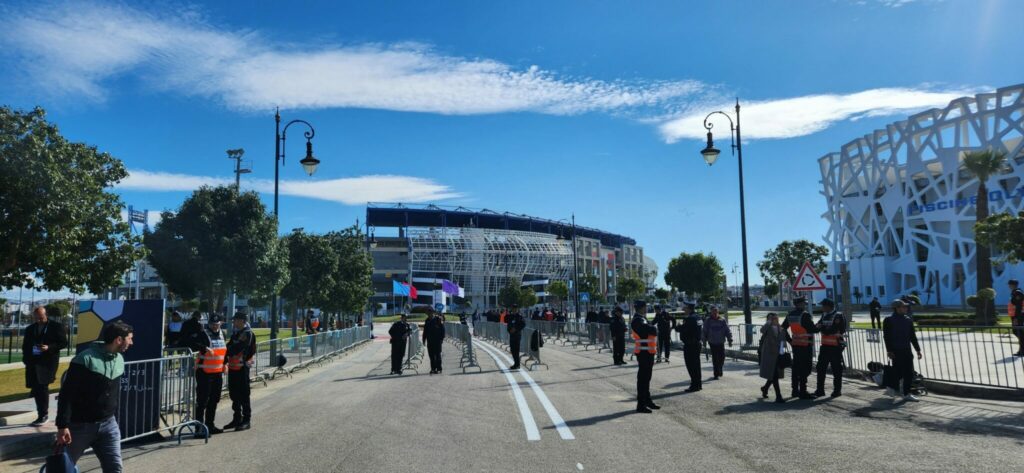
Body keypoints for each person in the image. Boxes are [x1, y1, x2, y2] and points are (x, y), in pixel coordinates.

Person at [55, 321, 133, 473]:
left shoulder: (119, 359)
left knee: (114, 468)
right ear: (119, 339)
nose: (131, 342)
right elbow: (67, 394)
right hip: (80, 427)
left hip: (109, 425)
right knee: (63, 468)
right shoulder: (84, 359)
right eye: (129, 338)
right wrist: (62, 425)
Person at [23, 306, 68, 426]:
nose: (38, 320)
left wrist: (49, 347)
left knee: (42, 386)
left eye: (41, 317)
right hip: (33, 362)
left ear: (46, 315)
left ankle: (43, 415)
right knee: (37, 387)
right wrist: (26, 359)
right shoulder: (30, 329)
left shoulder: (56, 327)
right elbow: (25, 345)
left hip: (48, 362)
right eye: (36, 318)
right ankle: (41, 413)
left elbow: (63, 343)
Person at [186, 313, 226, 435]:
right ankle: (199, 428)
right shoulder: (203, 333)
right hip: (204, 372)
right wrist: (204, 348)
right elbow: (190, 342)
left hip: (218, 372)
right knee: (202, 401)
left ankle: (210, 425)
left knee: (214, 400)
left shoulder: (222, 334)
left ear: (220, 324)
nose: (214, 326)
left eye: (217, 324)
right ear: (209, 324)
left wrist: (225, 364)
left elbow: (223, 351)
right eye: (212, 324)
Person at [883, 299, 923, 402]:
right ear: (897, 308)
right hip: (896, 350)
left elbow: (912, 336)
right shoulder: (888, 320)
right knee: (898, 372)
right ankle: (892, 388)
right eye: (903, 306)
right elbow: (886, 337)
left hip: (906, 350)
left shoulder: (908, 320)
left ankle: (906, 393)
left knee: (909, 373)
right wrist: (889, 350)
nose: (906, 308)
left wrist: (918, 349)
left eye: (906, 306)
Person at [224, 311, 256, 431]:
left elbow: (237, 348)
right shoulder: (236, 333)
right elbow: (228, 347)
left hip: (242, 368)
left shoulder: (247, 333)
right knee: (234, 394)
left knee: (244, 394)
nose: (234, 322)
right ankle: (237, 418)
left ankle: (246, 420)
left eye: (236, 320)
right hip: (233, 368)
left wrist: (229, 350)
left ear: (242, 320)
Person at [782, 296, 816, 400]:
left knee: (796, 368)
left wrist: (790, 341)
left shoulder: (790, 315)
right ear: (800, 304)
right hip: (805, 346)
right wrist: (819, 326)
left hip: (796, 345)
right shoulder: (805, 315)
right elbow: (813, 329)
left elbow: (782, 329)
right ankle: (803, 391)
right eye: (804, 303)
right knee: (805, 368)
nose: (805, 305)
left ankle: (795, 391)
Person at [814, 298, 847, 398]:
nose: (822, 307)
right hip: (824, 346)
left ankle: (837, 391)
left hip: (835, 347)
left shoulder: (838, 316)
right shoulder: (824, 315)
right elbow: (817, 327)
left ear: (829, 306)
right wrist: (822, 328)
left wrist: (822, 328)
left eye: (823, 306)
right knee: (820, 368)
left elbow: (833, 330)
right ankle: (820, 390)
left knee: (836, 370)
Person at [630, 300, 659, 413]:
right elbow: (651, 330)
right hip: (643, 353)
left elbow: (650, 329)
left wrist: (652, 328)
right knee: (643, 379)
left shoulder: (642, 318)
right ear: (641, 308)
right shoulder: (638, 320)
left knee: (647, 379)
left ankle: (647, 401)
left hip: (647, 353)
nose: (647, 308)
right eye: (645, 307)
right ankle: (641, 405)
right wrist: (654, 328)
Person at [758, 313, 788, 403]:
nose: (775, 320)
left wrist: (783, 348)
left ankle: (765, 388)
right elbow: (762, 330)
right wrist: (769, 322)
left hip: (778, 354)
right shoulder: (768, 328)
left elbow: (783, 339)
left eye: (776, 318)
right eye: (772, 318)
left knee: (774, 374)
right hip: (769, 354)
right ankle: (778, 396)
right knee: (774, 374)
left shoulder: (780, 328)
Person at [675, 302, 704, 392]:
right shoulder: (698, 317)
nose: (684, 309)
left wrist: (678, 326)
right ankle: (698, 384)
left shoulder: (690, 319)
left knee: (691, 366)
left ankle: (694, 385)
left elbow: (682, 329)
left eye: (685, 308)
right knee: (697, 365)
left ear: (689, 308)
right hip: (696, 344)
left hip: (690, 345)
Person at [703, 306, 732, 379]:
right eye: (713, 312)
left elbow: (727, 330)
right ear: (711, 312)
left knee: (722, 357)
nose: (715, 313)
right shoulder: (708, 321)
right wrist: (704, 340)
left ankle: (720, 368)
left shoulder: (722, 320)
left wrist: (730, 339)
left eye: (716, 311)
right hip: (712, 342)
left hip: (721, 341)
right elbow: (704, 331)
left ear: (718, 312)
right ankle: (716, 373)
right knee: (715, 358)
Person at [423, 309, 446, 374]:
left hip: (437, 340)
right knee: (431, 356)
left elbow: (443, 329)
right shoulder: (427, 320)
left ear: (433, 313)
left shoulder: (438, 319)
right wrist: (424, 339)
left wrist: (442, 338)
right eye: (428, 314)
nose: (429, 315)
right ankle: (433, 368)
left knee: (438, 355)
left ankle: (439, 368)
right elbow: (425, 331)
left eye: (430, 313)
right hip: (430, 341)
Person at [507, 304, 526, 370]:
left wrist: (515, 329)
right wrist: (510, 331)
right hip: (511, 335)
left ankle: (517, 364)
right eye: (513, 308)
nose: (514, 309)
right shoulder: (510, 316)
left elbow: (523, 324)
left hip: (517, 335)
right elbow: (507, 324)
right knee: (512, 350)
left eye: (515, 308)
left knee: (516, 350)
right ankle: (515, 363)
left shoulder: (519, 316)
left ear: (517, 309)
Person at [1009, 279, 1024, 357]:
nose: (1008, 286)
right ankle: (1021, 350)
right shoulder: (1015, 292)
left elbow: (1018, 306)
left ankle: (1022, 350)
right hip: (1015, 316)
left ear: (1012, 285)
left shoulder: (1018, 293)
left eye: (1009, 284)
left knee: (1018, 332)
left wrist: (1016, 317)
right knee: (1017, 332)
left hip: (1017, 316)